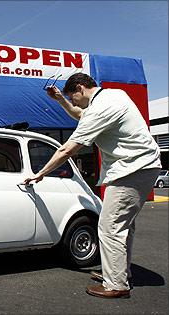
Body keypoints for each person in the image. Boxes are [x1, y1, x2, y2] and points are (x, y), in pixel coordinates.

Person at [23, 73, 161, 299]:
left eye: (73, 98)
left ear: (79, 88)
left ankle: (116, 284)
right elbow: (81, 114)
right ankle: (117, 273)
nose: (75, 103)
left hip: (133, 169)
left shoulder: (100, 109)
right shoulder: (113, 95)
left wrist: (40, 174)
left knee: (110, 227)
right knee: (122, 226)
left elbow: (67, 150)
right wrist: (60, 99)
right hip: (142, 166)